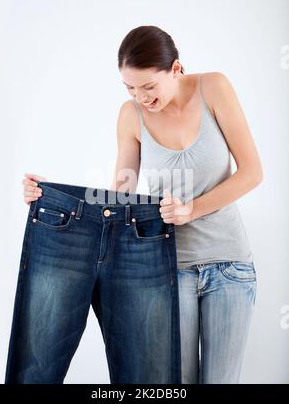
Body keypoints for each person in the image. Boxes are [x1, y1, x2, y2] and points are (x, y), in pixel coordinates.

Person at [21, 25, 263, 383]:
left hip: (230, 266)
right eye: (130, 88)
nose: (141, 96)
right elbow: (119, 198)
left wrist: (191, 209)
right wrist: (53, 195)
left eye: (149, 86)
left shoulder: (214, 87)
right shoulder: (131, 116)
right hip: (168, 270)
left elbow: (252, 172)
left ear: (176, 69)